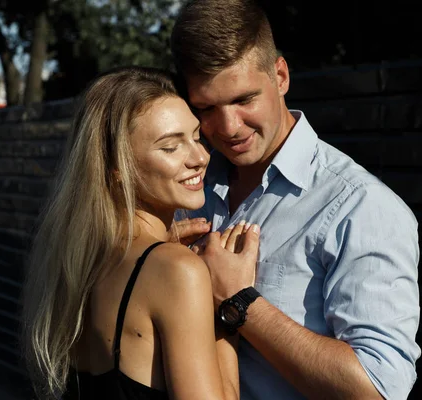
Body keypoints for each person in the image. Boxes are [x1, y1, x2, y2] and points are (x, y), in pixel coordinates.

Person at [170, 1, 421, 399]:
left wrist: (240, 303)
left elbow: (378, 389)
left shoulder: (362, 208)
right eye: (205, 108)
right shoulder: (185, 185)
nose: (227, 127)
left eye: (243, 99)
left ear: (281, 75)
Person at [20, 66, 260, 400]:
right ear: (118, 170)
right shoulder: (177, 270)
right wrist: (229, 308)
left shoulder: (79, 258)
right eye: (170, 147)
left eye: (195, 136)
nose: (201, 156)